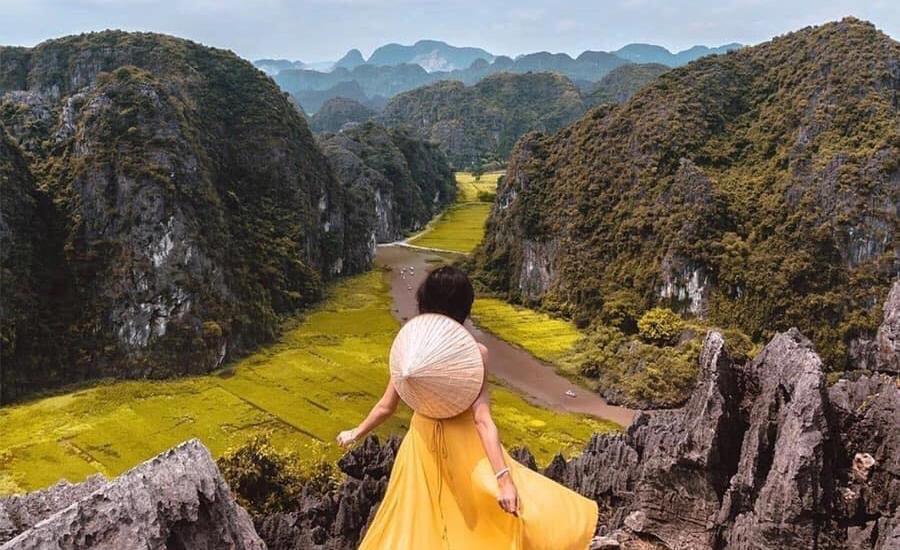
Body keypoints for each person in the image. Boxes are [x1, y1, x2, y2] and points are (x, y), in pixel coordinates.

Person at [337, 266, 598, 549]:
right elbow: (483, 420)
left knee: (418, 526)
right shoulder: (476, 354)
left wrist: (356, 432)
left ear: (426, 305)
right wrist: (504, 479)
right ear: (463, 306)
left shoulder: (412, 350)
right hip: (465, 449)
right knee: (487, 519)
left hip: (421, 447)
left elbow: (387, 406)